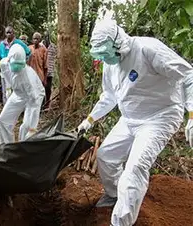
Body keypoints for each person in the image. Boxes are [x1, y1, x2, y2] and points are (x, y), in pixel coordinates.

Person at [77, 19, 193, 226]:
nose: (104, 58)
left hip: (160, 117)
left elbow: (188, 76)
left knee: (135, 168)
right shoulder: (110, 65)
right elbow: (109, 96)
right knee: (105, 156)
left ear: (118, 42)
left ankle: (121, 222)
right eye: (100, 54)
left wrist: (191, 115)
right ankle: (113, 195)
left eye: (106, 52)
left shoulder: (148, 49)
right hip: (130, 117)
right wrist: (89, 119)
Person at [0, 44, 45, 144]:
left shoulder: (28, 78)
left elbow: (34, 103)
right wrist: (8, 88)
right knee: (3, 120)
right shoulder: (4, 64)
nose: (16, 67)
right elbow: (6, 75)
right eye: (14, 64)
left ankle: (22, 151)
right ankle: (7, 148)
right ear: (9, 60)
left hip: (32, 97)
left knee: (26, 128)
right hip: (17, 93)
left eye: (20, 64)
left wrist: (32, 127)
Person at [0, 26, 31, 105]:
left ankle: (17, 109)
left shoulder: (18, 43)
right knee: (6, 90)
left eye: (10, 32)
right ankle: (6, 108)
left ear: (13, 33)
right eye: (7, 33)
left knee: (17, 90)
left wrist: (23, 62)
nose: (9, 34)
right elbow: (0, 57)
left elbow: (28, 52)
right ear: (5, 34)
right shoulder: (2, 44)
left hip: (16, 71)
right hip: (5, 72)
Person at [45, 34, 57, 108]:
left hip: (50, 71)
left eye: (48, 38)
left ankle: (47, 103)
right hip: (42, 72)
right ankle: (42, 104)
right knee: (42, 88)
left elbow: (57, 55)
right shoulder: (41, 46)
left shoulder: (53, 47)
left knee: (48, 88)